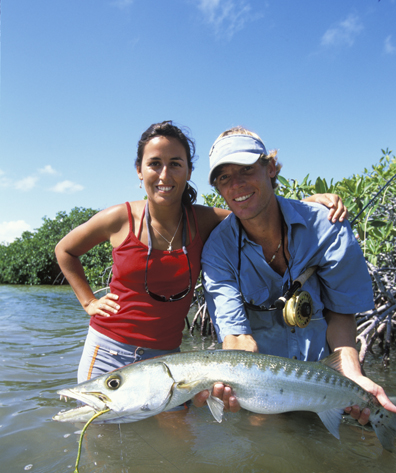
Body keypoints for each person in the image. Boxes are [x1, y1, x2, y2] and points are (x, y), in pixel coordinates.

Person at [55, 121, 347, 387]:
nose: (164, 175)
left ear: (189, 171)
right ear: (139, 170)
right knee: (100, 438)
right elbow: (65, 250)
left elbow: (255, 209)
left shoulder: (204, 220)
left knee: (181, 440)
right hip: (108, 349)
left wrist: (308, 205)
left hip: (167, 357)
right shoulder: (119, 218)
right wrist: (88, 300)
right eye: (154, 164)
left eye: (175, 163)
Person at [199, 127, 396, 425]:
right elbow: (236, 336)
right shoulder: (217, 250)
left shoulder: (328, 225)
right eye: (224, 177)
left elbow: (341, 314)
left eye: (247, 169)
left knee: (369, 436)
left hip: (330, 375)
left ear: (272, 168)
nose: (236, 184)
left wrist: (352, 375)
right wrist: (231, 380)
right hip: (263, 393)